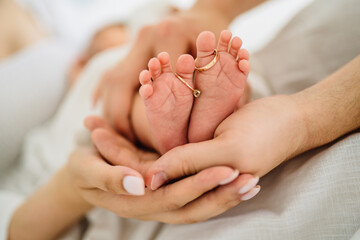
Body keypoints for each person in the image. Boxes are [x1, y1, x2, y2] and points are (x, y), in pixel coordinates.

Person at [5, 0, 360, 239]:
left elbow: (167, 27)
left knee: (146, 80)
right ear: (76, 62)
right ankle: (180, 122)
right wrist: (69, 186)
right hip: (74, 151)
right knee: (119, 88)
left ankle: (173, 124)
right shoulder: (73, 87)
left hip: (125, 116)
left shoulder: (145, 26)